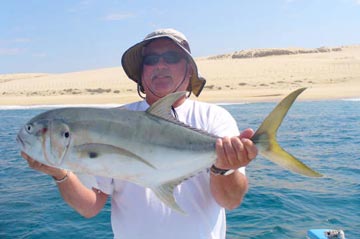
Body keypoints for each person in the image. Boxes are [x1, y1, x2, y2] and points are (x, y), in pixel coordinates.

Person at [21, 28, 258, 239]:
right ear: (141, 73)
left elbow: (230, 200)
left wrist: (222, 167)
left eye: (172, 57)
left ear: (189, 71)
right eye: (151, 59)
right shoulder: (113, 123)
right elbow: (89, 206)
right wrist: (59, 173)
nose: (160, 65)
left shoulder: (214, 118)